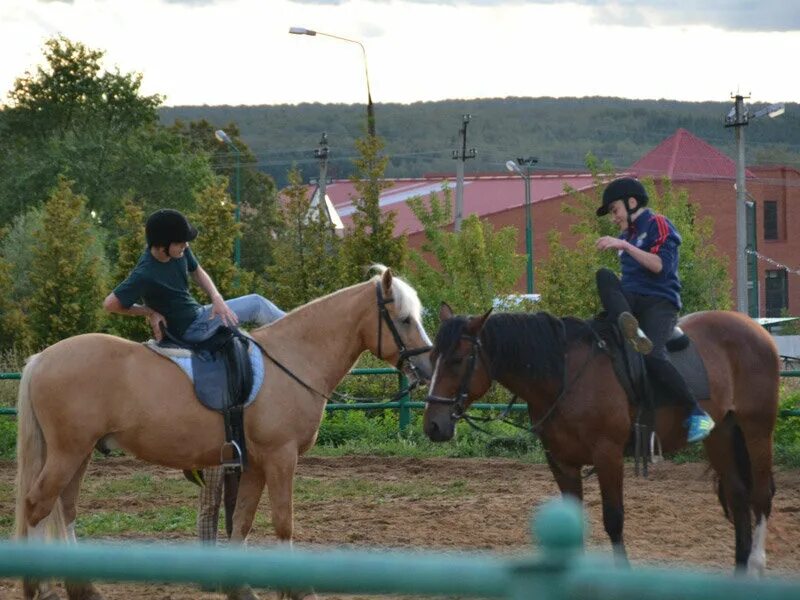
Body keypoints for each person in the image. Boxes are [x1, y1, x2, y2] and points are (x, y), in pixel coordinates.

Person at [103, 208, 285, 543]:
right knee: (258, 303)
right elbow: (111, 303)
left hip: (201, 313)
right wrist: (149, 311)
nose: (186, 247)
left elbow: (200, 273)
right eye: (180, 243)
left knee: (241, 317)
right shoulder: (145, 271)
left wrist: (216, 299)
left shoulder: (179, 252)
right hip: (192, 328)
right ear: (162, 247)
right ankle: (298, 336)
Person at [594, 177, 715, 443]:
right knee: (604, 275)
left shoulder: (657, 223)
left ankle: (698, 413)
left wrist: (625, 246)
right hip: (632, 302)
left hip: (659, 302)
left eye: (614, 210)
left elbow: (660, 266)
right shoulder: (627, 235)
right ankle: (627, 324)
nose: (613, 218)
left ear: (632, 202)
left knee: (651, 354)